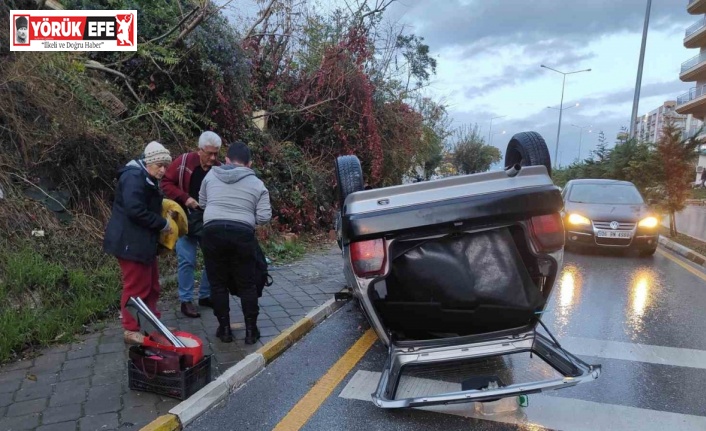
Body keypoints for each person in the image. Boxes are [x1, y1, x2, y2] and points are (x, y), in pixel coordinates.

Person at [199, 142, 271, 343]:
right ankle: (250, 332)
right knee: (247, 284)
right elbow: (264, 216)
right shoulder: (257, 184)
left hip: (212, 232)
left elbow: (202, 202)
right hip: (241, 234)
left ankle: (225, 330)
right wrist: (246, 218)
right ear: (249, 164)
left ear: (227, 160)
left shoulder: (211, 175)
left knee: (218, 284)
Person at [103, 141, 173, 345]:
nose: (163, 170)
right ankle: (130, 329)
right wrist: (162, 224)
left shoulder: (147, 177)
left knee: (152, 285)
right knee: (136, 287)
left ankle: (152, 324)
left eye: (165, 166)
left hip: (143, 243)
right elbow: (135, 210)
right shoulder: (133, 177)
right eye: (159, 165)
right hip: (130, 243)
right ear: (148, 162)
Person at [161, 131, 222, 318]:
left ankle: (205, 295)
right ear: (199, 150)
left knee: (213, 258)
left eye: (216, 154)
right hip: (185, 220)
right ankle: (186, 301)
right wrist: (185, 199)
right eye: (209, 153)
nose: (213, 158)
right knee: (187, 260)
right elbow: (165, 183)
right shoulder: (184, 162)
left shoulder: (219, 169)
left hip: (209, 221)